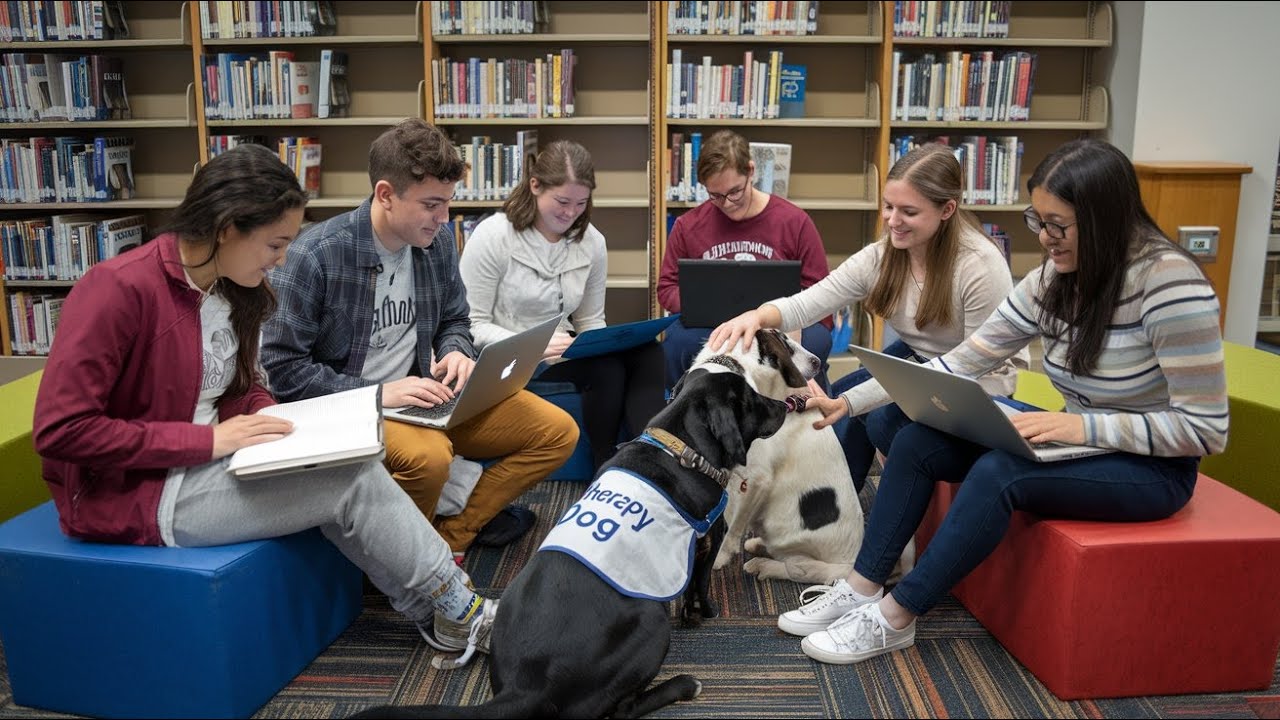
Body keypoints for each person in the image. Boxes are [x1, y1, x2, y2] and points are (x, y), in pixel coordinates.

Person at [31, 144, 500, 668]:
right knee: (350, 479)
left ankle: (447, 612)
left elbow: (241, 386)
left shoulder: (232, 286)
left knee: (352, 461)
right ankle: (458, 609)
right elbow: (61, 430)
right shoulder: (117, 290)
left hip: (214, 460)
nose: (281, 260)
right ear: (228, 228)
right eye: (275, 244)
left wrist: (271, 415)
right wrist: (209, 440)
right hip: (138, 491)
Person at [773, 137, 1230, 665]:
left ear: (1105, 220)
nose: (1043, 238)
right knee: (919, 441)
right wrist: (852, 403)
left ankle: (896, 617)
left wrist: (1083, 429)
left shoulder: (1170, 286)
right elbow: (966, 360)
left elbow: (1205, 429)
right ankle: (862, 586)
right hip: (1077, 443)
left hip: (1152, 470)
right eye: (1037, 221)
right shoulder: (1053, 279)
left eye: (1056, 225)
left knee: (999, 472)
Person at [260, 119, 579, 563]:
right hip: (353, 407)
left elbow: (455, 319)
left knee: (557, 431)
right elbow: (283, 373)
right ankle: (406, 561)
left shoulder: (437, 244)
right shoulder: (314, 256)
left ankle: (449, 539)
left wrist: (455, 350)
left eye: (447, 203)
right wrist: (377, 393)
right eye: (432, 204)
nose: (444, 219)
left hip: (423, 394)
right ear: (386, 195)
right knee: (430, 460)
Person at [709, 143, 1024, 494]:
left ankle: (839, 509)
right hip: (923, 363)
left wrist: (853, 402)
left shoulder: (979, 264)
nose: (892, 221)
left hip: (977, 384)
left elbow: (966, 367)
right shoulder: (885, 255)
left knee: (875, 417)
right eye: (888, 207)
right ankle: (836, 506)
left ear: (947, 210)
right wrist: (758, 315)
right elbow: (809, 302)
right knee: (845, 395)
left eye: (908, 211)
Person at [458, 140, 666, 471]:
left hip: (564, 350)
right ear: (535, 186)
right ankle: (604, 464)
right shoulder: (493, 236)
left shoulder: (592, 242)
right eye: (562, 201)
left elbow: (590, 320)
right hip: (509, 356)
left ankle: (652, 460)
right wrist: (535, 345)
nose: (571, 213)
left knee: (649, 352)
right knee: (607, 369)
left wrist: (602, 344)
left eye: (581, 203)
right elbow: (471, 324)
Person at [656, 129, 833, 390]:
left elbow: (821, 291)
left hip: (779, 327)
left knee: (817, 340)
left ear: (751, 171)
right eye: (715, 195)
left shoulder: (794, 222)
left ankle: (809, 416)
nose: (726, 203)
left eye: (735, 192)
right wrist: (701, 303)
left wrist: (782, 317)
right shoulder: (688, 226)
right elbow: (667, 287)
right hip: (713, 326)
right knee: (676, 343)